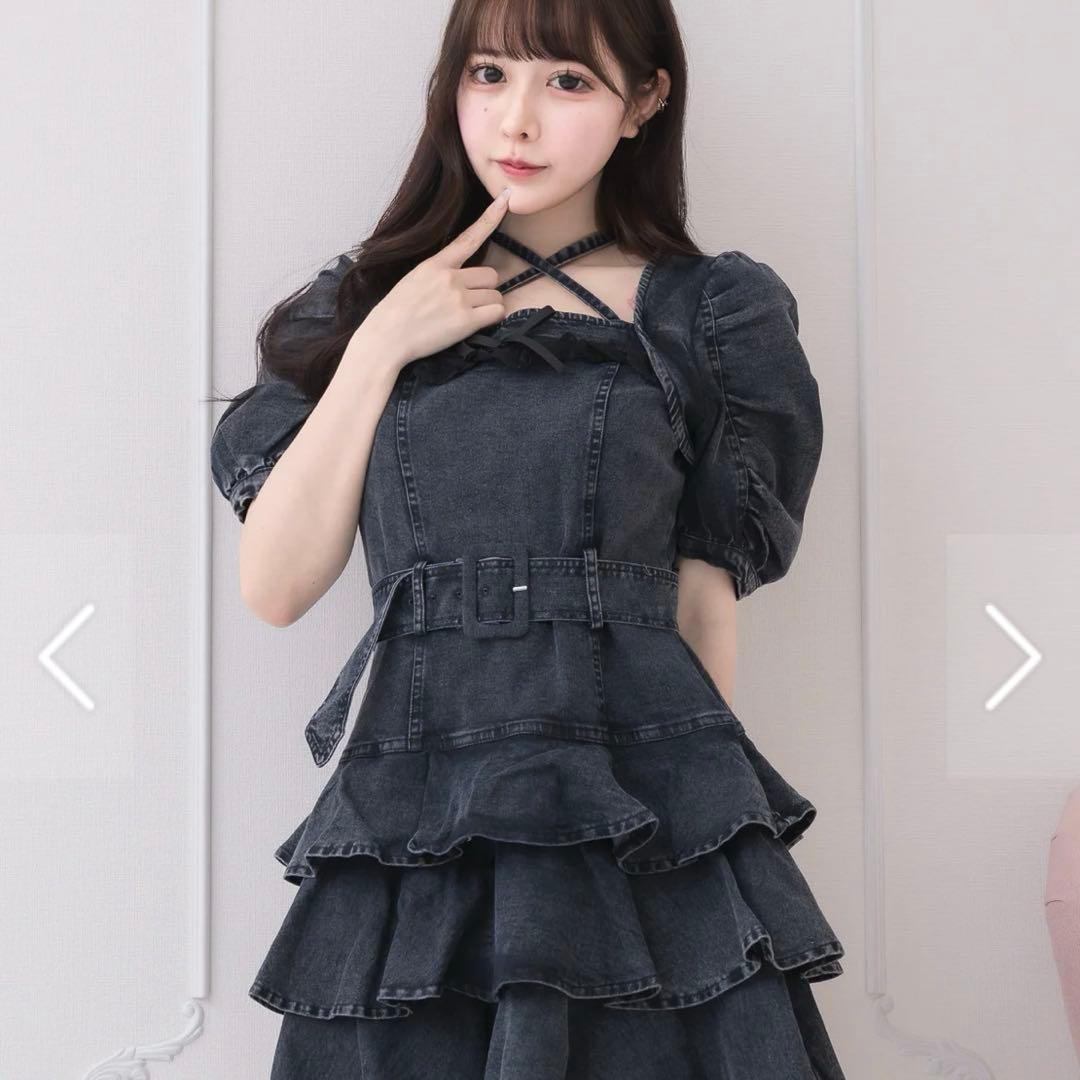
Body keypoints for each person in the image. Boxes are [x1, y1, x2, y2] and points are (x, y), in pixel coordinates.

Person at [209, 1, 847, 1076]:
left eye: (568, 82)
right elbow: (275, 588)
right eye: (489, 73)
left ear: (644, 101)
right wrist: (382, 345)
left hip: (636, 797)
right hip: (419, 806)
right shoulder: (363, 304)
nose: (517, 119)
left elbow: (701, 607)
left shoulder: (710, 313)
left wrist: (703, 855)